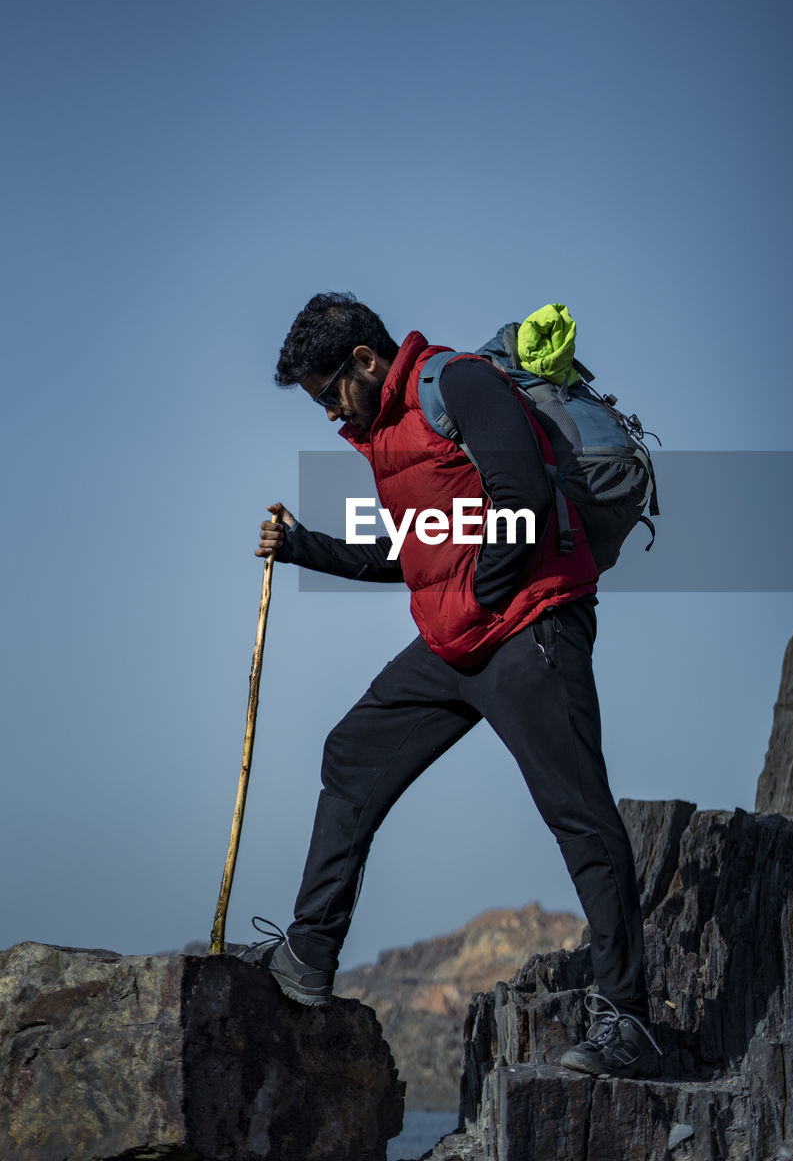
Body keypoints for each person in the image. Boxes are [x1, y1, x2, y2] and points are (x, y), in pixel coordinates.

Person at [233, 291, 660, 1078]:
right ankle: (309, 955)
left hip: (531, 625)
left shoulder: (457, 383)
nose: (328, 414)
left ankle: (630, 1023)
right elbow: (417, 551)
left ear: (365, 360)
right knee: (352, 753)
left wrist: (489, 595)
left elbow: (526, 501)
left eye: (329, 394)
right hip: (454, 644)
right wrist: (302, 548)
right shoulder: (386, 434)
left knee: (579, 817)